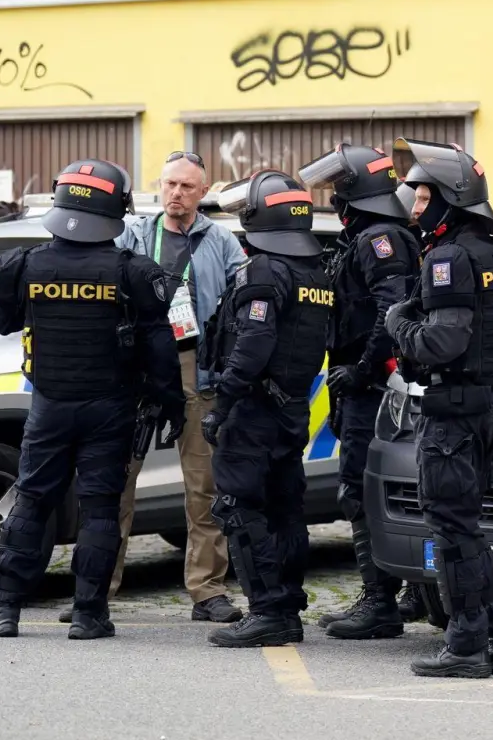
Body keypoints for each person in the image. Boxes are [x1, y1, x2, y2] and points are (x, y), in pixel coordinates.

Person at [0, 160, 185, 639]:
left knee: (31, 501)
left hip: (49, 404)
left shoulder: (23, 263)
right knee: (99, 508)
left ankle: (5, 611)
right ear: (118, 207)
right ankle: (89, 614)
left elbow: (1, 322)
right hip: (110, 407)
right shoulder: (134, 271)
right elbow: (160, 348)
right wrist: (171, 404)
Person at [55, 151, 248, 625]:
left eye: (186, 186)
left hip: (196, 365)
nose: (176, 194)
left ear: (203, 193)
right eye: (169, 185)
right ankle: (96, 589)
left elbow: (244, 299)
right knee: (113, 481)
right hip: (136, 365)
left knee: (204, 484)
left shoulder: (222, 241)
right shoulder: (134, 234)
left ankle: (208, 590)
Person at [385, 140, 493, 679]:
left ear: (450, 198)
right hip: (488, 412)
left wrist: (398, 325)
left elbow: (443, 343)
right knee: (466, 526)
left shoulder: (448, 258)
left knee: (451, 530)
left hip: (453, 414)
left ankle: (464, 645)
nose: (414, 208)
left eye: (422, 197)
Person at [197, 171, 334, 647]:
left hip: (254, 409)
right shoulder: (315, 272)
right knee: (285, 509)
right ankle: (288, 606)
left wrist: (223, 402)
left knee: (238, 507)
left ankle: (267, 611)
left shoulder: (263, 270)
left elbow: (254, 344)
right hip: (292, 408)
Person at [301, 143, 421, 639]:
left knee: (360, 489)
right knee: (389, 489)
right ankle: (410, 593)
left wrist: (363, 370)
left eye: (337, 191)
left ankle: (380, 602)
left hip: (373, 384)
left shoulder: (379, 239)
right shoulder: (374, 235)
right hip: (367, 383)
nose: (333, 201)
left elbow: (388, 313)